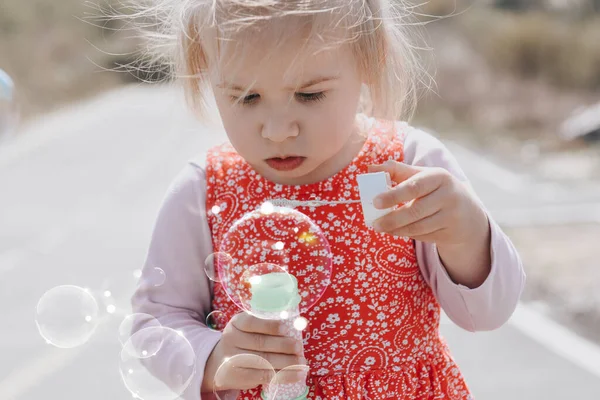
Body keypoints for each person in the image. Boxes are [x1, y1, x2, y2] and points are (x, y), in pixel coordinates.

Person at [130, 1, 526, 399]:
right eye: (246, 97)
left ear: (370, 61)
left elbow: (487, 313)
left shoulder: (399, 169)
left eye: (309, 94)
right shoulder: (205, 189)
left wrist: (466, 235)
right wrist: (214, 357)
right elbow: (158, 320)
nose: (279, 129)